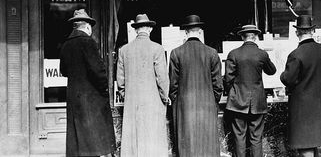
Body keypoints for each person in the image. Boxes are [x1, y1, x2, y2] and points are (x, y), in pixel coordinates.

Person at [280, 15, 321, 157]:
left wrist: (282, 75)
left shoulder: (296, 54)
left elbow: (288, 79)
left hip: (302, 110)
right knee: (316, 145)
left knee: (305, 146)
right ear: (312, 31)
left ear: (297, 33)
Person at [59, 9, 116, 157]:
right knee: (93, 139)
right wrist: (104, 89)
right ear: (88, 27)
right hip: (91, 98)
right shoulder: (88, 42)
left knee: (78, 139)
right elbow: (98, 71)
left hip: (73, 96)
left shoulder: (66, 45)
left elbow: (63, 71)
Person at [169, 14, 223, 157]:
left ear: (185, 32)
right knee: (207, 144)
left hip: (184, 106)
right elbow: (218, 84)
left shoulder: (176, 53)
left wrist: (177, 102)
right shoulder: (212, 53)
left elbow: (173, 85)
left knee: (187, 144)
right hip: (207, 105)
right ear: (200, 31)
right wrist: (213, 100)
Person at [116, 14, 170, 156]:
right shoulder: (157, 49)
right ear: (150, 29)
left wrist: (127, 96)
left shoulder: (124, 50)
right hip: (153, 103)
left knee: (133, 142)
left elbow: (120, 82)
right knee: (153, 141)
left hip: (132, 103)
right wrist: (164, 98)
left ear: (135, 30)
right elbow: (162, 79)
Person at [225, 24, 277, 157]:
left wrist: (233, 92)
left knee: (239, 137)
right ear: (256, 37)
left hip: (237, 103)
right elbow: (272, 71)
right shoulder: (262, 54)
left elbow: (228, 79)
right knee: (256, 139)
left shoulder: (234, 54)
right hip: (257, 103)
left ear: (242, 36)